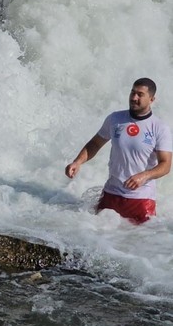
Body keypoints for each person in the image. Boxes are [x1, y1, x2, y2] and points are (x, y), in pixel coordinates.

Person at [65, 77, 172, 224]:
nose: (134, 98)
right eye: (132, 92)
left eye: (140, 94)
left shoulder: (160, 128)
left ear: (152, 99)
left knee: (138, 242)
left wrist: (144, 176)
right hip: (111, 194)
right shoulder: (115, 118)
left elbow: (165, 165)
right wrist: (78, 162)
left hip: (141, 199)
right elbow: (95, 143)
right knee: (96, 237)